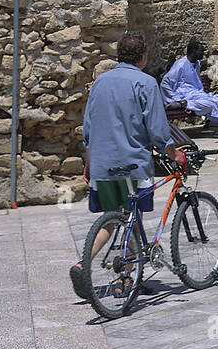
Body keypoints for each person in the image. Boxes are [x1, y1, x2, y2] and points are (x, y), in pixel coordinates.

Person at [71, 31, 185, 299]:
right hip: (132, 165)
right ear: (143, 57)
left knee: (110, 220)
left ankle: (82, 264)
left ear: (119, 55)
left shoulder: (100, 83)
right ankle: (125, 279)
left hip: (102, 163)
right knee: (134, 222)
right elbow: (158, 130)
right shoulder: (146, 83)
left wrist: (89, 161)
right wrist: (173, 153)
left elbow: (88, 128)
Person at [160, 39, 218, 122]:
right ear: (194, 51)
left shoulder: (196, 64)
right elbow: (165, 82)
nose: (203, 53)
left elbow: (201, 65)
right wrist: (174, 99)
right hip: (185, 95)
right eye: (201, 51)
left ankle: (186, 104)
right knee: (210, 105)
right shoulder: (181, 64)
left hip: (197, 95)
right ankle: (182, 104)